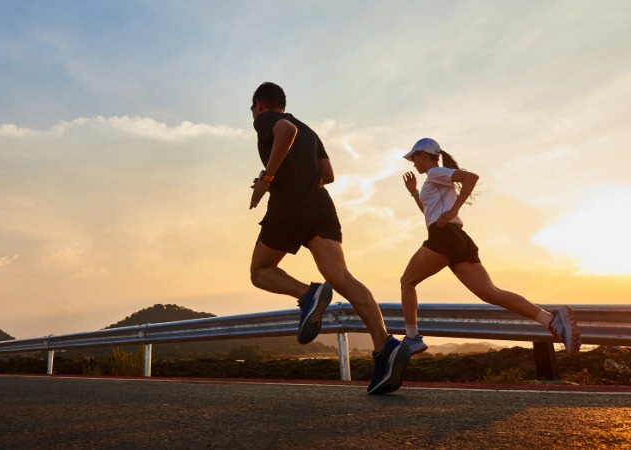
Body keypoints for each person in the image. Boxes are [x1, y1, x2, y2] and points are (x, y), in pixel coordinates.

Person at [248, 82, 410, 395]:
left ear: (259, 105)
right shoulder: (309, 130)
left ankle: (307, 294)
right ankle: (384, 345)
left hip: (288, 207)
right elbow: (328, 174)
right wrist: (284, 175)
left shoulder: (268, 120)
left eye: (254, 109)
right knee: (342, 277)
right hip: (320, 206)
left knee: (260, 272)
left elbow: (284, 131)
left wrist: (268, 179)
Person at [399, 137, 581, 356]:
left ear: (423, 155)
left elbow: (471, 177)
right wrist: (414, 193)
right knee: (491, 293)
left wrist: (455, 209)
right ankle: (549, 319)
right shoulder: (434, 180)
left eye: (414, 157)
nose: (413, 162)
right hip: (458, 239)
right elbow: (429, 213)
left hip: (444, 237)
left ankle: (412, 338)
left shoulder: (436, 173)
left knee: (407, 282)